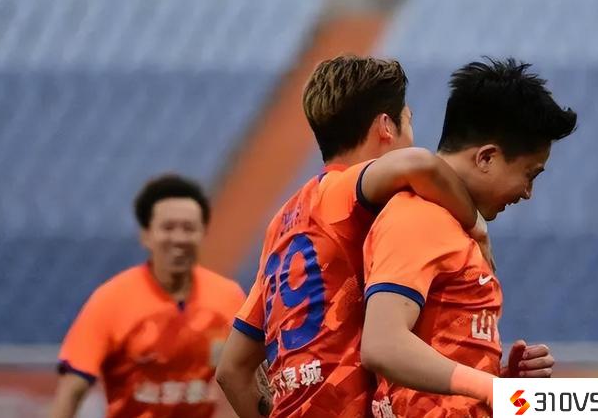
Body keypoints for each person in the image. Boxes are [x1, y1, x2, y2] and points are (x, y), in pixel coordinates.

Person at [216, 55, 492, 418]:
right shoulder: (341, 192)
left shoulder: (283, 221)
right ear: (386, 127)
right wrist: (476, 225)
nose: (412, 136)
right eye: (408, 121)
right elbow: (420, 164)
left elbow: (231, 371)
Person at [360, 57, 577, 418]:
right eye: (530, 174)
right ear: (486, 158)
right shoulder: (420, 218)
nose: (527, 193)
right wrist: (489, 388)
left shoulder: (456, 227)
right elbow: (382, 345)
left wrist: (500, 382)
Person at [50, 174, 245, 418]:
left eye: (189, 228)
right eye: (168, 228)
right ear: (146, 234)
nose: (179, 238)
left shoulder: (229, 297)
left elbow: (253, 374)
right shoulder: (111, 300)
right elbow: (71, 391)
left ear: (203, 232)